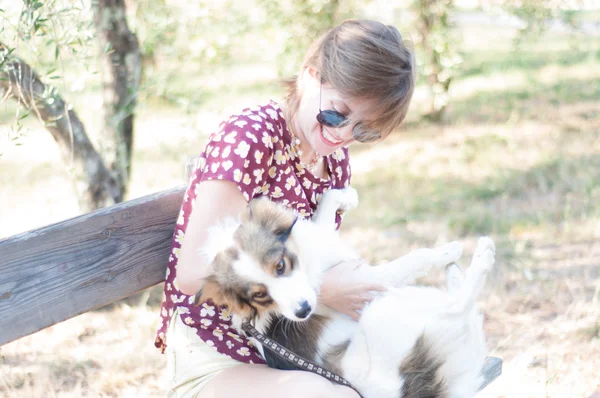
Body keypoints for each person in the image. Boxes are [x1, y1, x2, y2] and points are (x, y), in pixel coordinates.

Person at [155, 19, 415, 398]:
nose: (342, 134)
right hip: (216, 352)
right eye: (337, 113)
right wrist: (318, 290)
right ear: (310, 77)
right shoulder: (251, 137)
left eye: (364, 129)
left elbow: (318, 257)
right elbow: (193, 273)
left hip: (290, 346)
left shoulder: (333, 163)